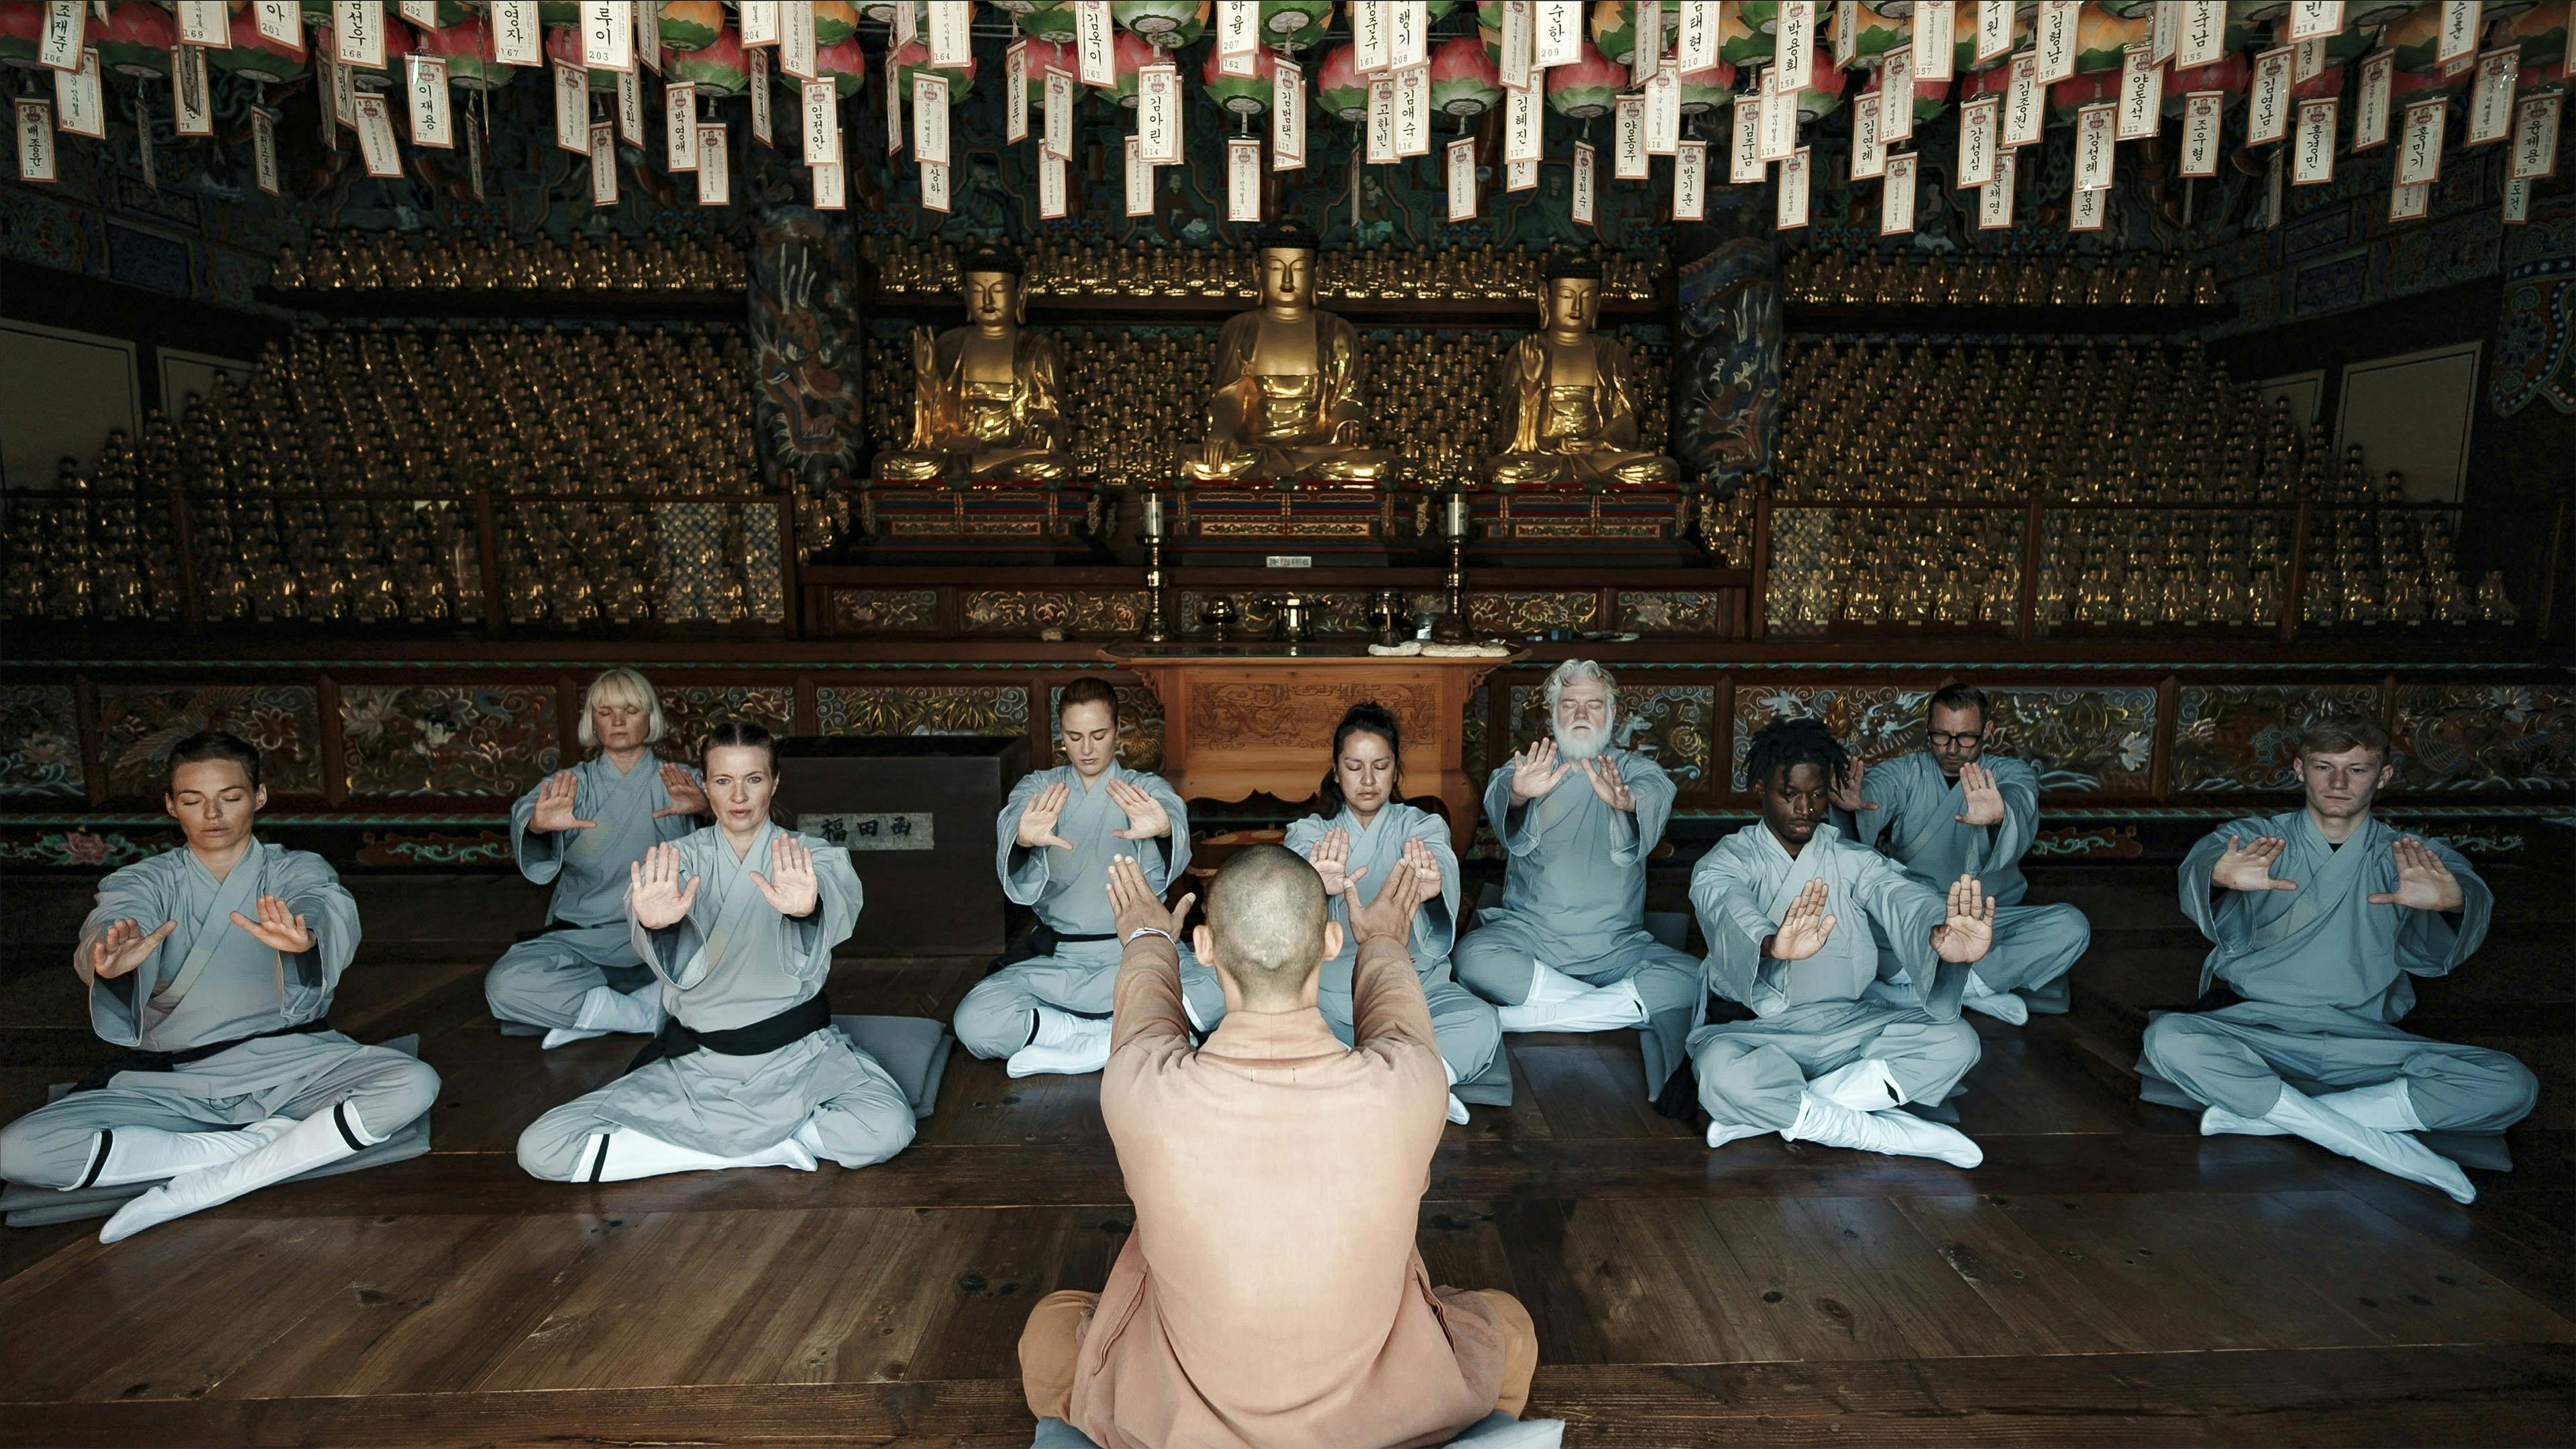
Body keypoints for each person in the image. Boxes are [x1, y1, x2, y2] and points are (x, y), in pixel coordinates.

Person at [1017, 847, 1537, 1449]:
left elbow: (1146, 1023)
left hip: (1177, 1429)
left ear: (1205, 947)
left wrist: (1148, 938)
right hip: (1378, 1421)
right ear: (1331, 941)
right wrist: (1386, 942)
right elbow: (1398, 1026)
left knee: (1050, 1334)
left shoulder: (1138, 1091)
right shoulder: (1411, 1085)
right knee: (1511, 1329)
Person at [0, 732, 440, 1242]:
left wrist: (306, 940)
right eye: (192, 800)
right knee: (18, 1152)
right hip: (170, 1085)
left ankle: (201, 1185)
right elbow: (116, 919)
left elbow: (319, 903)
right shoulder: (144, 880)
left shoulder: (294, 869)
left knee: (414, 1083)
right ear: (170, 805)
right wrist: (109, 959)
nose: (213, 814)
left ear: (259, 797)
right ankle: (260, 1151)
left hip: (293, 1068)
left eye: (230, 797)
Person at [2139, 715, 2536, 1205]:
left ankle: (2271, 1119)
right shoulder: (2260, 838)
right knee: (2169, 1039)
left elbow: (2465, 886)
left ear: (2384, 776)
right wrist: (2219, 873)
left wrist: (2453, 899)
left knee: (2512, 1083)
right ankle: (2382, 1145)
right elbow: (2206, 858)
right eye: (2324, 767)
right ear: (2300, 769)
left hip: (2366, 1039)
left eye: (2358, 769)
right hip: (2260, 1031)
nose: (2339, 783)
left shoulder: (2408, 854)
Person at [515, 722, 916, 1182]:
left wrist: (808, 909)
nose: (739, 796)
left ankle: (703, 1149)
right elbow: (647, 904)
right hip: (696, 1069)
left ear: (775, 782)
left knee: (886, 1128)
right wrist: (656, 923)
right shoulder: (674, 860)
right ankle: (769, 1149)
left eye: (754, 779)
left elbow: (835, 896)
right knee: (542, 1148)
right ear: (705, 786)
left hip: (799, 1059)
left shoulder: (812, 857)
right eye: (724, 781)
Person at [1684, 717, 1994, 1167]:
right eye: (1789, 794)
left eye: (1816, 794)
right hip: (1759, 1034)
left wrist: (1938, 934)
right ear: (1760, 790)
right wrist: (1770, 943)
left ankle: (1787, 1109)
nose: (1805, 808)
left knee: (1960, 1041)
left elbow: (1901, 895)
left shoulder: (1852, 859)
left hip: (1850, 1025)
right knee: (1718, 1074)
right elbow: (1721, 899)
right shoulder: (1729, 859)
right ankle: (1888, 1135)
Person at [1454, 660, 1703, 1101]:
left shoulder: (1637, 772)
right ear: (1552, 713)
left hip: (1615, 946)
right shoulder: (1533, 768)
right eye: (1570, 704)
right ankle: (1609, 1008)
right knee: (1473, 957)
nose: (1582, 714)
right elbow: (1500, 791)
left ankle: (1531, 1015)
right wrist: (1519, 793)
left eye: (1594, 704)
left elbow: (1656, 793)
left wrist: (1627, 804)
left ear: (1612, 714)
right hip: (1532, 938)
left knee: (1696, 976)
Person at [953, 678, 1222, 1077]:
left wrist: (1164, 828)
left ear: (1118, 731)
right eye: (1074, 736)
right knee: (973, 1019)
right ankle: (1107, 1035)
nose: (1087, 748)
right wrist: (1024, 839)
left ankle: (1067, 1041)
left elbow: (1169, 813)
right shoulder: (1041, 788)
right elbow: (1015, 819)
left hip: (1136, 952)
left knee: (1230, 987)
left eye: (1098, 735)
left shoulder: (1145, 789)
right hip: (1062, 961)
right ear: (1061, 735)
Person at [1284, 702, 1503, 1124]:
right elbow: (1289, 882)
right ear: (1336, 770)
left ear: (1396, 770)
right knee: (1269, 1028)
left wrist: (1435, 885)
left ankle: (1402, 1080)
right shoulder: (1310, 831)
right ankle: (1418, 1087)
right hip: (1331, 998)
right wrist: (1310, 882)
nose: (1368, 780)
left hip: (1415, 989)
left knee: (1479, 1020)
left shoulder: (1421, 826)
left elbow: (1438, 855)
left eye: (1381, 766)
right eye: (1354, 766)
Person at [1832, 683, 2090, 1024]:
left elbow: (2020, 799)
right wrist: (1851, 806)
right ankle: (1977, 991)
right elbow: (1872, 796)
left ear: (1988, 731)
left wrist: (1999, 816)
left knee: (2072, 927)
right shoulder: (1905, 772)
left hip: (1986, 921)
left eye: (1966, 737)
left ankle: (1919, 993)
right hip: (1916, 918)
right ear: (1927, 728)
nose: (1952, 748)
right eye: (1941, 735)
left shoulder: (2009, 774)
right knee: (1843, 919)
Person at [484, 667, 708, 1047]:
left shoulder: (682, 781)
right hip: (583, 941)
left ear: (650, 718)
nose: (618, 721)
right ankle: (642, 1015)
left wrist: (706, 810)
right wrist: (539, 825)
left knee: (743, 960)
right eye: (605, 713)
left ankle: (596, 1014)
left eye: (630, 710)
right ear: (592, 722)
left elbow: (746, 826)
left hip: (669, 939)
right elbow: (527, 814)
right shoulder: (571, 786)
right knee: (506, 984)